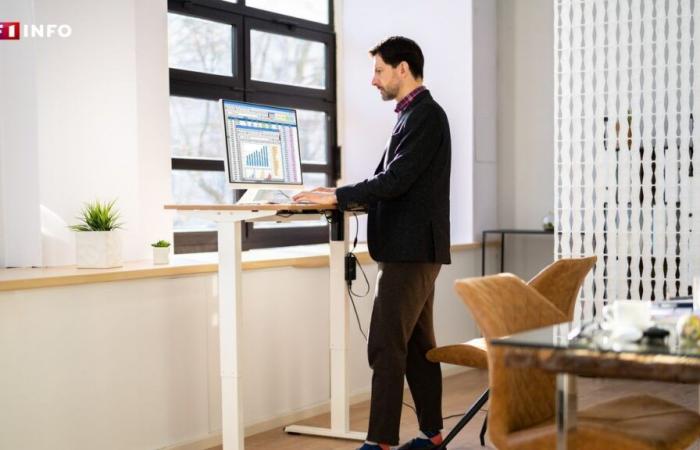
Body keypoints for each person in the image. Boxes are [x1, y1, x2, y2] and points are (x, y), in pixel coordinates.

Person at [293, 36, 451, 450]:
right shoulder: (410, 116)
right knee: (416, 345)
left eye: (379, 70)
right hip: (412, 248)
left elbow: (396, 180)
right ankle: (431, 434)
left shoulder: (426, 116)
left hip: (410, 251)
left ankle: (380, 442)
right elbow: (395, 181)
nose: (373, 80)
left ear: (403, 69)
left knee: (384, 343)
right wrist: (339, 193)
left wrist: (338, 196)